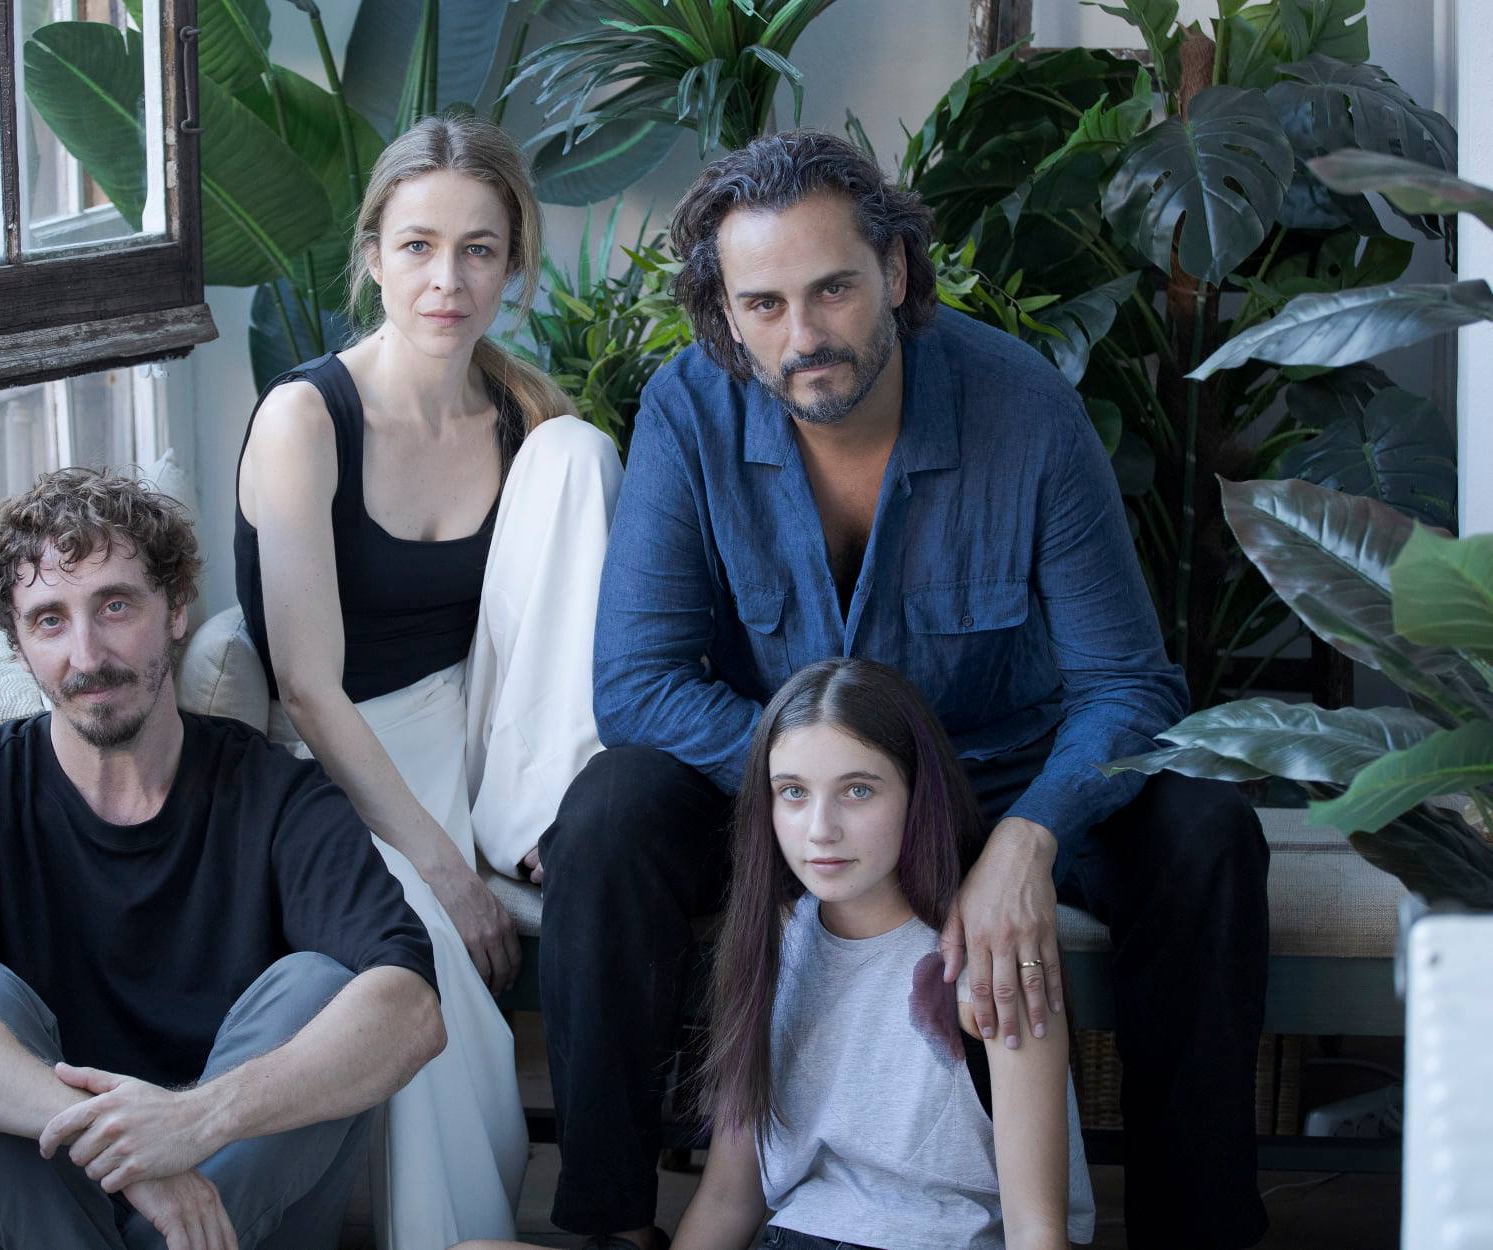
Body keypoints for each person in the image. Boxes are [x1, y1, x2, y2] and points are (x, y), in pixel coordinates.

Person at [535, 130, 1269, 1250]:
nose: (804, 335)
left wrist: (1027, 837)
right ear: (726, 312)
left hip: (997, 773)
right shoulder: (689, 411)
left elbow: (1127, 683)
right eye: (764, 303)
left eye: (832, 288)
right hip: (794, 784)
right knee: (608, 814)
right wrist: (815, 781)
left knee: (1206, 832)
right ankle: (606, 1225)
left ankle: (1195, 1232)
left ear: (895, 270)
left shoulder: (1022, 406)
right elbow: (637, 682)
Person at [0, 469, 447, 1250]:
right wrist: (127, 1151)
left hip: (226, 1204)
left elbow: (410, 1012)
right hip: (23, 1219)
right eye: (50, 621)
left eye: (115, 606)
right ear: (19, 648)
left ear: (176, 610)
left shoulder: (278, 796)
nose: (87, 655)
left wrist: (193, 1123)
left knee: (321, 990)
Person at [234, 113, 622, 1245]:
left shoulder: (525, 416)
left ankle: (549, 818)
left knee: (581, 451)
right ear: (371, 255)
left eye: (478, 249)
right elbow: (307, 688)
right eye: (417, 246)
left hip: (496, 730)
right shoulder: (306, 418)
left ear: (513, 264)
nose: (447, 280)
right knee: (426, 959)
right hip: (349, 756)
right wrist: (448, 875)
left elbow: (556, 632)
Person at [460, 658, 1096, 1250]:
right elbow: (729, 1200)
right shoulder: (775, 945)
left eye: (858, 790)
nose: (820, 829)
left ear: (916, 792)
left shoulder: (988, 959)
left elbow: (1038, 1232)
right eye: (793, 792)